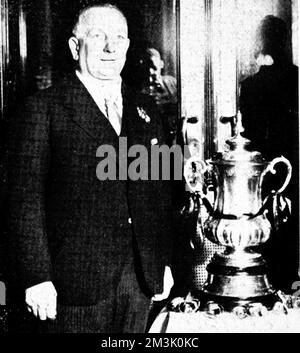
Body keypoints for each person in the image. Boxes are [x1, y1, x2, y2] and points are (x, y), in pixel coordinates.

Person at [7, 4, 174, 333]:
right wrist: (36, 277)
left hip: (139, 281)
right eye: (98, 37)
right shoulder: (43, 109)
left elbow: (159, 192)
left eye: (119, 38)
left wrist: (163, 261)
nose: (111, 48)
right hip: (73, 286)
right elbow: (23, 202)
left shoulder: (146, 109)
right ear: (75, 47)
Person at [240, 15, 299, 291]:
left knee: (268, 241)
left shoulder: (252, 86)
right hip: (295, 172)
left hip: (265, 177)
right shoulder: (296, 78)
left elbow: (249, 136)